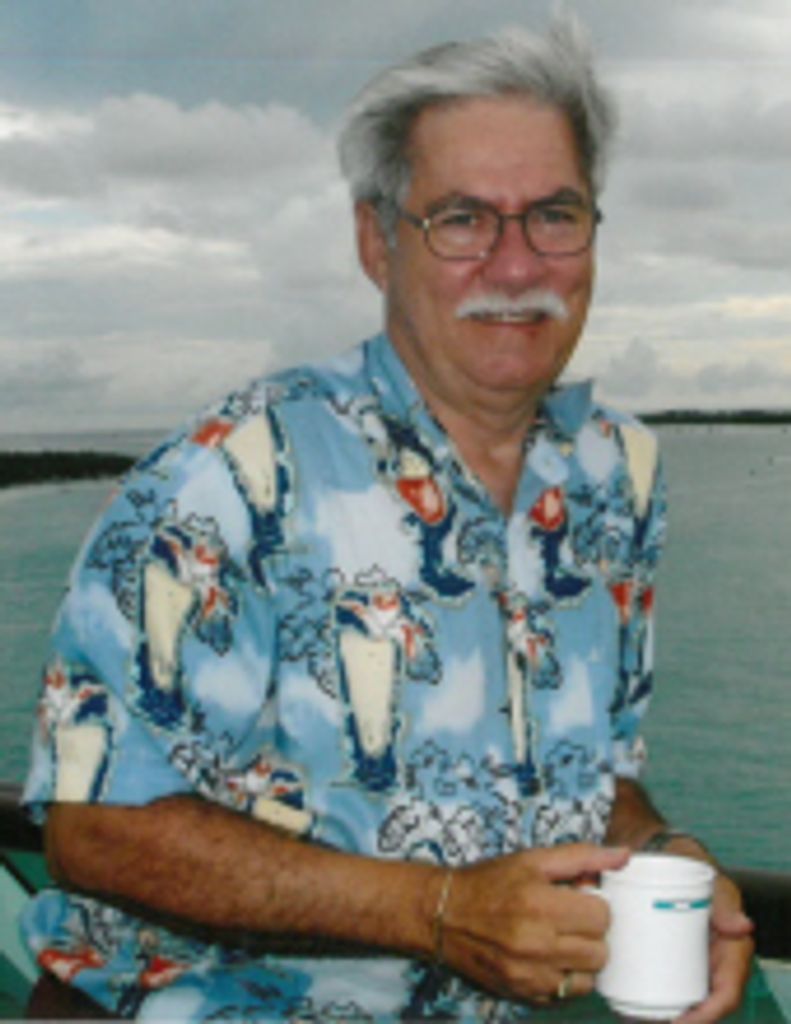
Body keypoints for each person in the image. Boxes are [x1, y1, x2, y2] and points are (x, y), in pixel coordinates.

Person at [21, 16, 753, 1023]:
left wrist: (665, 855)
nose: (514, 265)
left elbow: (599, 777)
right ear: (376, 242)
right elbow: (92, 826)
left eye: (553, 214)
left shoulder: (616, 473)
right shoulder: (235, 469)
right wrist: (438, 911)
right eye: (461, 219)